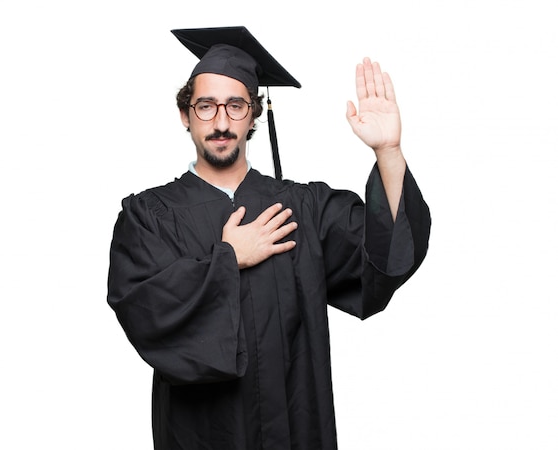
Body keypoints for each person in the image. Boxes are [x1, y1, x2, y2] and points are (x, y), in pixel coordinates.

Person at [107, 26, 431, 450]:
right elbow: (145, 313)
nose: (221, 122)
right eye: (206, 106)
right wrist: (228, 260)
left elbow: (386, 254)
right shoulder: (149, 217)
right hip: (200, 436)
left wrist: (388, 152)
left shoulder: (303, 209)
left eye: (236, 106)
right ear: (185, 115)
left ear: (254, 114)